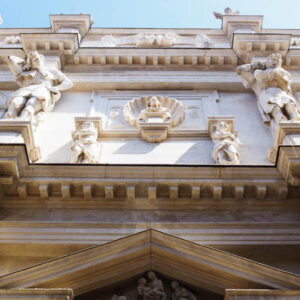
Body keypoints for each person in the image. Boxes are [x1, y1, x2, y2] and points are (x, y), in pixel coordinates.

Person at [6, 51, 73, 122]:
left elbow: (68, 83)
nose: (37, 61)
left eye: (38, 59)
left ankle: (24, 119)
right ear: (31, 63)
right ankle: (9, 120)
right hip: (26, 90)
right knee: (16, 102)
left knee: (32, 103)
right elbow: (11, 60)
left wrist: (55, 88)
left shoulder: (52, 72)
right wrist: (23, 63)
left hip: (42, 89)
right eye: (34, 60)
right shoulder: (25, 73)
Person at [236, 53, 300, 124]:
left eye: (277, 61)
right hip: (266, 93)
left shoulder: (281, 72)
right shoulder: (258, 72)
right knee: (273, 106)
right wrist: (254, 66)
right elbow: (243, 70)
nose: (275, 62)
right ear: (266, 62)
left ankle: (295, 118)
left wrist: (269, 72)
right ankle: (281, 119)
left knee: (289, 103)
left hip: (280, 92)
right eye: (272, 60)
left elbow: (282, 76)